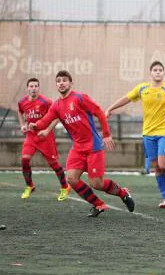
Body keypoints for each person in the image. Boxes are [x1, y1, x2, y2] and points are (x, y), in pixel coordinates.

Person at [29, 70, 134, 217]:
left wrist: (106, 135)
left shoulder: (79, 98)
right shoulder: (56, 105)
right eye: (58, 81)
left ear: (71, 83)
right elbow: (46, 120)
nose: (61, 83)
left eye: (64, 80)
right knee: (71, 178)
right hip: (77, 148)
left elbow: (98, 112)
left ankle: (123, 193)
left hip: (93, 147)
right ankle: (98, 204)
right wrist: (36, 125)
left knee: (96, 183)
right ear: (56, 85)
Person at [106, 61, 165, 208]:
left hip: (164, 132)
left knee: (164, 164)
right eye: (155, 70)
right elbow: (126, 98)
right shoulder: (142, 88)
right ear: (151, 73)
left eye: (160, 70)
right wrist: (110, 108)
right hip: (148, 134)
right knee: (157, 167)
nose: (157, 72)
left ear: (164, 73)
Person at [17, 78, 71, 201]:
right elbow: (20, 112)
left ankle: (65, 187)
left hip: (45, 137)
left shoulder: (46, 102)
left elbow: (58, 115)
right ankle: (30, 186)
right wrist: (23, 125)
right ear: (27, 88)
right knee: (25, 160)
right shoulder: (22, 102)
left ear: (39, 88)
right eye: (31, 86)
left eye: (36, 86)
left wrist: (47, 130)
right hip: (31, 136)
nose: (33, 88)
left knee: (54, 164)